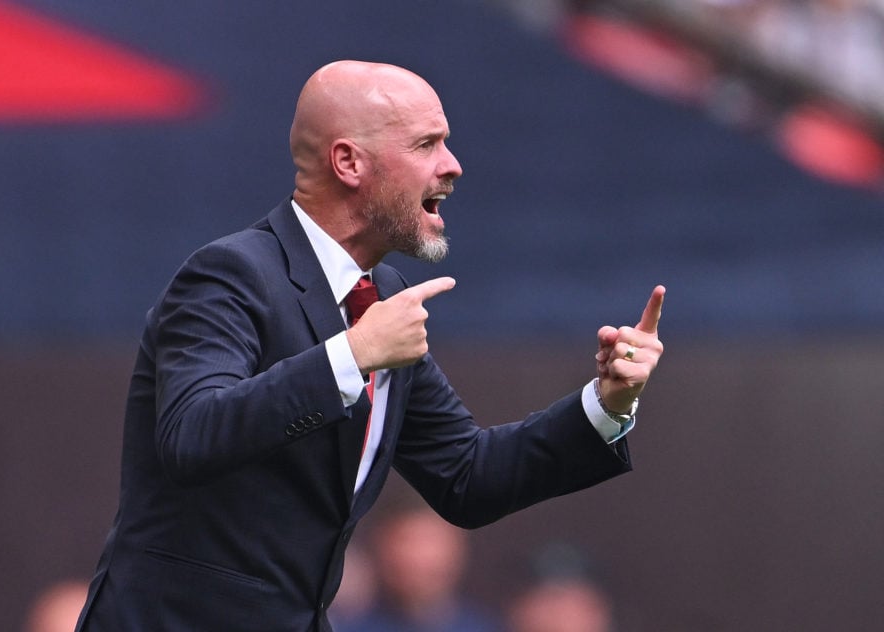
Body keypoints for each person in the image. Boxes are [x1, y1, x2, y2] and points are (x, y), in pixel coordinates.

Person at [74, 59, 665, 632]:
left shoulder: (379, 296)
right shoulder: (230, 273)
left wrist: (607, 405)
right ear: (349, 162)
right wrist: (352, 355)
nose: (453, 165)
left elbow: (467, 476)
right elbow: (191, 433)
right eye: (427, 144)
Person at [334, 492, 501, 632]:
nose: (417, 559)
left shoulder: (484, 625)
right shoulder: (347, 625)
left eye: (430, 541)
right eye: (405, 542)